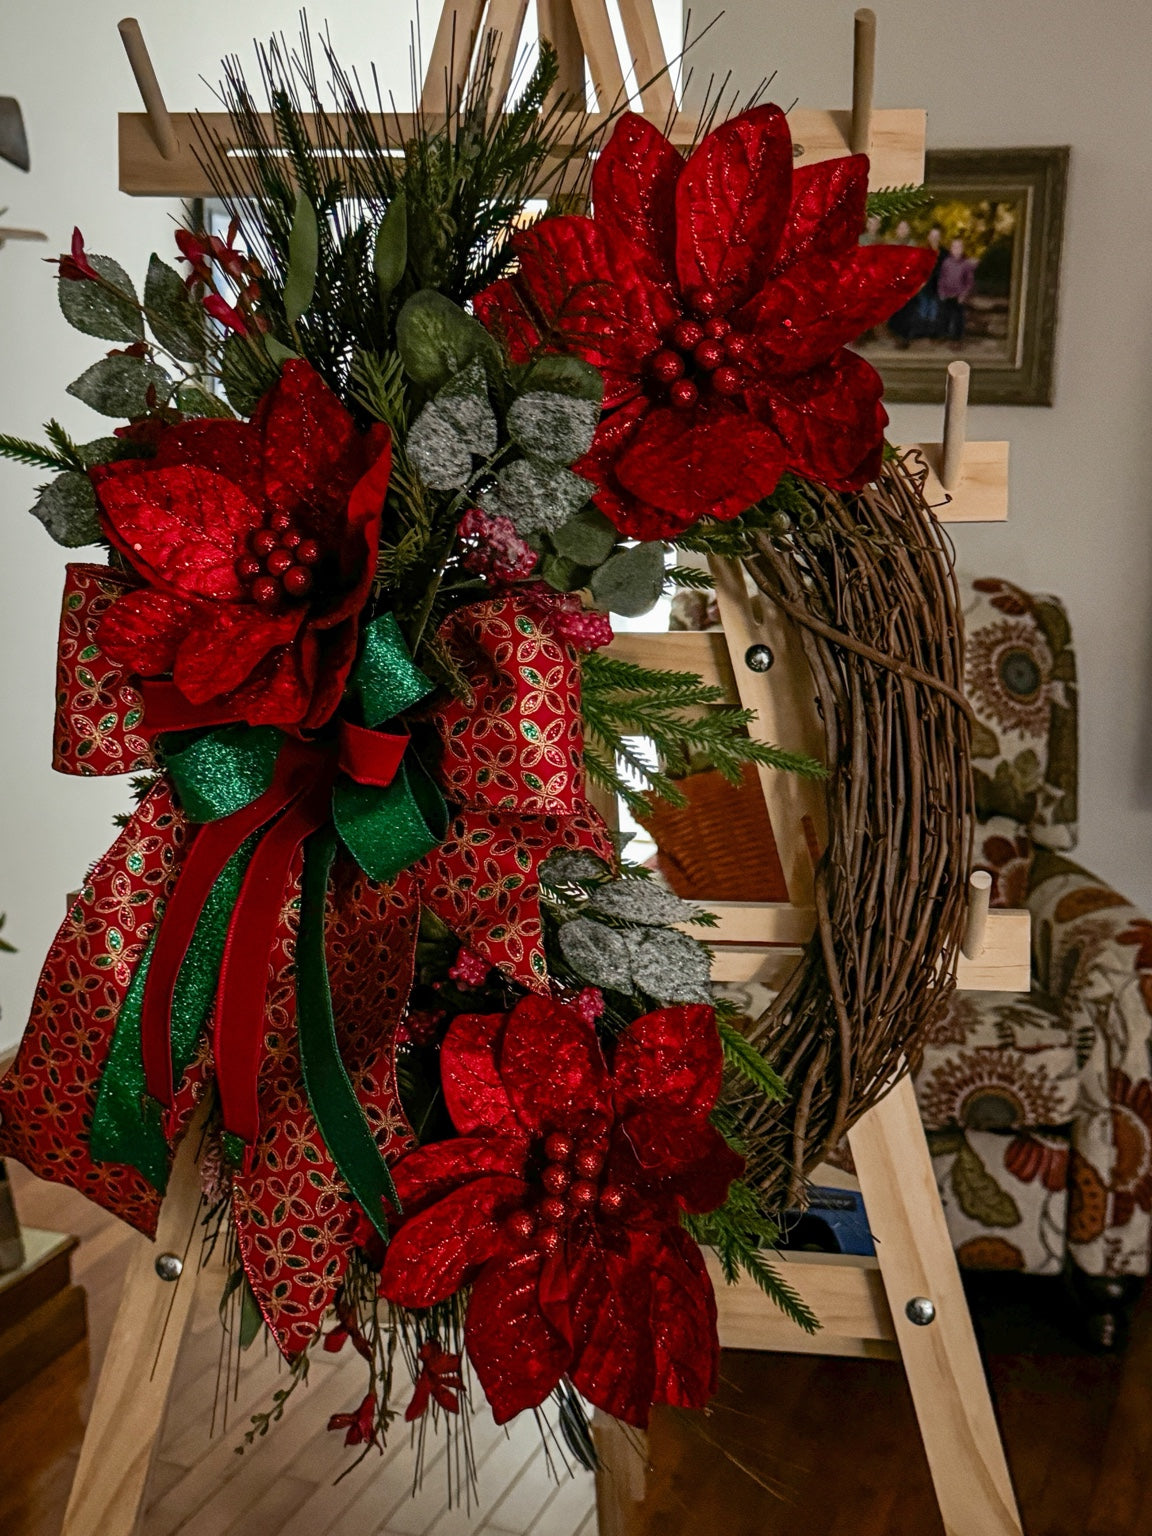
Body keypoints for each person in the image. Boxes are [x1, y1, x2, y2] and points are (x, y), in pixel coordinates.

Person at [937, 236, 978, 343]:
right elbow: (942, 278)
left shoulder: (966, 264)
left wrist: (963, 295)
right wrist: (941, 291)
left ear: (963, 249)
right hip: (947, 294)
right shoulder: (946, 262)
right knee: (944, 316)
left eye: (959, 247)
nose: (957, 250)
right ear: (951, 249)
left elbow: (969, 282)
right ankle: (943, 334)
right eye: (954, 247)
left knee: (958, 318)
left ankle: (957, 339)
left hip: (959, 296)